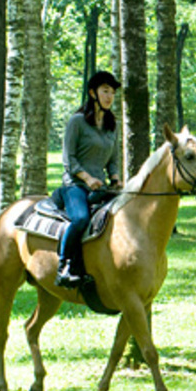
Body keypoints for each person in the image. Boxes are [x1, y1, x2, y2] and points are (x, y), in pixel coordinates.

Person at [56, 70, 123, 288]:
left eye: (112, 92)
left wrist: (115, 179)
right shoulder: (77, 122)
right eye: (105, 91)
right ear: (93, 93)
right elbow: (68, 159)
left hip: (100, 187)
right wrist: (87, 178)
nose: (109, 96)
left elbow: (113, 158)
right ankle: (64, 266)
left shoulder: (113, 125)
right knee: (81, 219)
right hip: (75, 185)